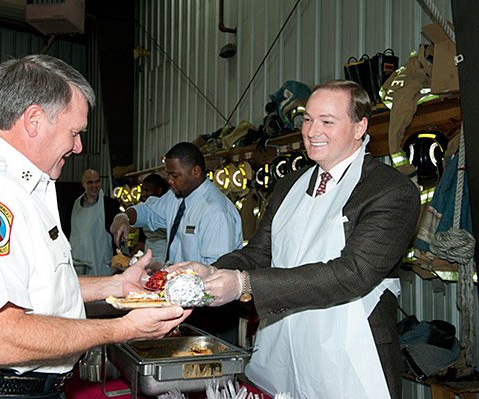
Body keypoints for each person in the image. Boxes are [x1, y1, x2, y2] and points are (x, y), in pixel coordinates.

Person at [0, 54, 190, 399]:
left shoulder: (14, 183)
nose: (79, 146)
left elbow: (33, 287)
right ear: (34, 119)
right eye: (75, 132)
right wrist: (122, 328)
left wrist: (114, 285)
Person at [171, 80, 420, 398]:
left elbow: (353, 273)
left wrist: (245, 285)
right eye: (307, 119)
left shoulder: (390, 191)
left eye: (327, 121)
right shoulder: (289, 186)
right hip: (284, 349)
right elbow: (261, 251)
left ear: (360, 127)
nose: (312, 131)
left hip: (350, 353)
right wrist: (215, 271)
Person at [110, 142, 243, 343]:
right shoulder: (176, 198)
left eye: (175, 175)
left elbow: (215, 272)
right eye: (168, 174)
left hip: (211, 310)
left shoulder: (215, 211)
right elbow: (149, 211)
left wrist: (169, 276)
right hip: (183, 302)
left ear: (196, 171)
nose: (169, 181)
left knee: (206, 367)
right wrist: (124, 218)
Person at [68, 169, 120, 276]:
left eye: (97, 181)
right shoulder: (72, 206)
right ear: (83, 184)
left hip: (103, 263)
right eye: (90, 182)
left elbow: (118, 237)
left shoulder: (110, 205)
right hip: (79, 264)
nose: (95, 185)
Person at [131, 173, 169, 267]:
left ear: (159, 190)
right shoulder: (145, 212)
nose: (144, 194)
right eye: (143, 190)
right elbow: (141, 242)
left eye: (147, 190)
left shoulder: (168, 209)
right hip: (148, 255)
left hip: (164, 257)